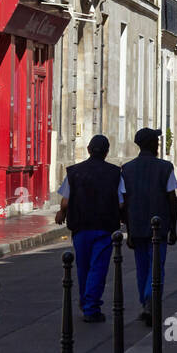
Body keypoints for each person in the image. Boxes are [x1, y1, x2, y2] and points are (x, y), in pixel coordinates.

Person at [56, 135, 125, 323]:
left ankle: (86, 300)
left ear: (88, 149)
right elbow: (120, 204)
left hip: (80, 226)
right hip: (103, 226)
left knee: (83, 267)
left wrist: (61, 213)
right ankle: (91, 307)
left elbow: (65, 201)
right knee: (98, 268)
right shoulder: (114, 173)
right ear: (107, 151)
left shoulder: (74, 172)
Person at [120, 127, 177, 325]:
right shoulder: (165, 167)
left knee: (141, 268)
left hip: (136, 226)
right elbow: (172, 199)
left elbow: (124, 202)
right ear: (154, 144)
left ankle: (145, 301)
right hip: (159, 227)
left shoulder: (127, 169)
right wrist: (173, 226)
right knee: (157, 267)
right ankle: (150, 301)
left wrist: (128, 228)